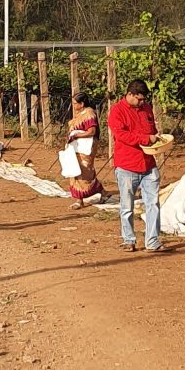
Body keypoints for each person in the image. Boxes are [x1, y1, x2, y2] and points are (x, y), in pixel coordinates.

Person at [107, 78, 163, 254]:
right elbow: (122, 135)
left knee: (153, 203)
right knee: (127, 205)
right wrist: (146, 139)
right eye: (138, 99)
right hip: (127, 165)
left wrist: (156, 138)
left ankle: (152, 241)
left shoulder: (146, 108)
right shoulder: (117, 111)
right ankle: (129, 240)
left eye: (143, 99)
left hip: (148, 163)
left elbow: (151, 130)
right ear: (129, 94)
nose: (141, 102)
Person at [62, 93, 105, 204]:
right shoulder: (79, 114)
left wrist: (76, 135)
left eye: (75, 103)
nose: (74, 105)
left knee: (84, 172)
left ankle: (80, 199)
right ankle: (81, 198)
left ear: (82, 104)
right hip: (76, 147)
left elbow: (92, 131)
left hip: (86, 147)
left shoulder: (89, 114)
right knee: (75, 169)